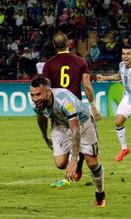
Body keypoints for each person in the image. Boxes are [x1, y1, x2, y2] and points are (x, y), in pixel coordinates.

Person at [30, 77, 106, 207]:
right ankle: (79, 156)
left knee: (92, 163)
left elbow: (75, 130)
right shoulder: (36, 103)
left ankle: (100, 193)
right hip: (61, 125)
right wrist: (45, 136)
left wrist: (73, 161)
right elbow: (41, 117)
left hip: (83, 124)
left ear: (48, 92)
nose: (35, 98)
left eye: (38, 94)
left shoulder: (64, 101)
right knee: (60, 163)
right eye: (32, 95)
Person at [42, 32, 101, 182]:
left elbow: (46, 92)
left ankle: (76, 161)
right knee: (62, 159)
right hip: (74, 109)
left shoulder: (49, 64)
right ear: (69, 44)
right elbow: (87, 85)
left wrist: (50, 118)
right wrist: (93, 106)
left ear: (54, 46)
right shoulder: (80, 61)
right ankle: (77, 158)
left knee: (66, 147)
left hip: (59, 112)